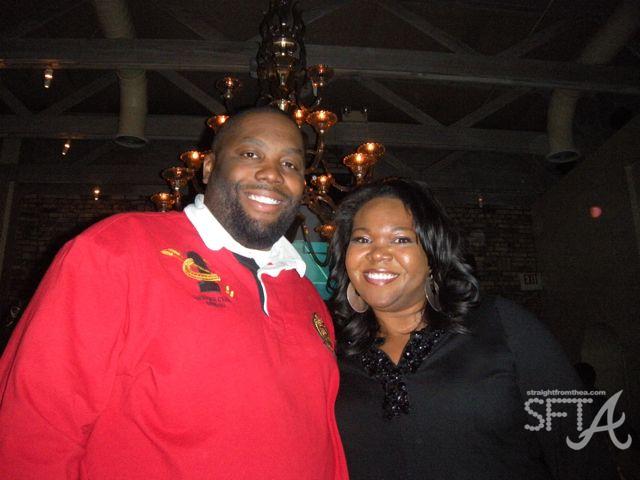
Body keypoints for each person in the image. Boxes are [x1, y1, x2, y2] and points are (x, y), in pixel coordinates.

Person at [0, 107, 348, 479]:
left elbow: (323, 440)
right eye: (251, 154)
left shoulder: (306, 296)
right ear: (209, 168)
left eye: (291, 164)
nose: (273, 174)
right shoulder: (118, 248)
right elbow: (34, 428)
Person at [328, 177, 616, 480]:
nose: (377, 253)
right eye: (362, 239)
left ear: (433, 256)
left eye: (401, 239)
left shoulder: (502, 325)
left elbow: (581, 448)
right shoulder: (335, 351)